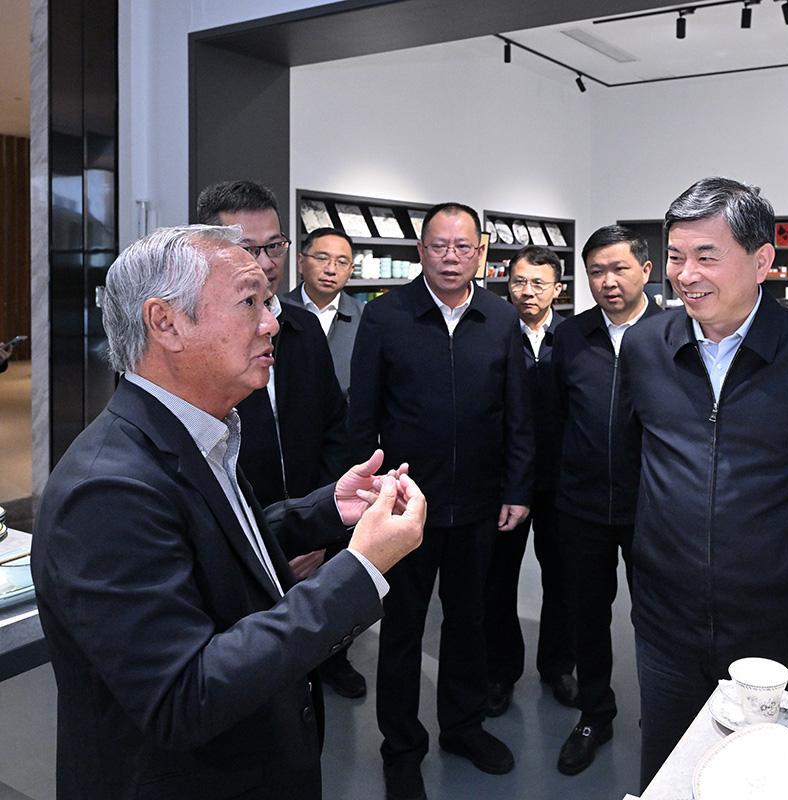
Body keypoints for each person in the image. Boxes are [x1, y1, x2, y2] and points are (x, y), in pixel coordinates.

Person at [30, 224, 426, 800]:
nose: (272, 322)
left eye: (268, 302)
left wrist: (325, 510)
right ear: (165, 323)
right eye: (249, 303)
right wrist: (360, 568)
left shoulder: (197, 432)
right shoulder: (107, 491)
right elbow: (183, 696)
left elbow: (213, 547)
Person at [621, 177, 788, 788]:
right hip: (666, 617)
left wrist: (783, 540)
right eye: (676, 256)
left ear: (762, 261)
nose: (686, 275)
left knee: (773, 774)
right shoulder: (645, 346)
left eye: (707, 256)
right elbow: (628, 459)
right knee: (670, 769)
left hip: (778, 620)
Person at [348, 201, 534, 800]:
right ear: (420, 250)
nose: (451, 258)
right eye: (438, 246)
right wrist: (370, 491)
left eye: (463, 247)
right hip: (405, 505)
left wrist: (517, 487)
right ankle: (401, 748)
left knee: (469, 622)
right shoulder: (386, 316)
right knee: (402, 628)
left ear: (480, 252)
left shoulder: (500, 318)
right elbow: (362, 415)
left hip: (479, 503)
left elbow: (518, 412)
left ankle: (462, 726)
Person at [197, 181, 365, 700]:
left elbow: (334, 428)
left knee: (319, 624)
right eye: (248, 248)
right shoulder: (202, 341)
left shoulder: (303, 329)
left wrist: (318, 526)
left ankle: (332, 661)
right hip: (241, 536)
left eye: (274, 246)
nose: (267, 263)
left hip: (310, 520)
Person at [550, 224, 659, 775]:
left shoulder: (675, 333)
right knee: (587, 616)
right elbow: (552, 417)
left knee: (658, 617)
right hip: (582, 506)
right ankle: (596, 712)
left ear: (646, 270)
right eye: (596, 271)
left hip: (654, 509)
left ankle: (665, 715)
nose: (608, 281)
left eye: (619, 268)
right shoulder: (572, 336)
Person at [482, 245, 576, 718]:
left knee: (563, 578)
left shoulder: (573, 338)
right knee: (498, 579)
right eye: (519, 281)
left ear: (557, 289)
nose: (527, 291)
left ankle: (558, 666)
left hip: (561, 482)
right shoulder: (494, 334)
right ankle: (500, 671)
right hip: (506, 481)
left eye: (539, 283)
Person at [284, 226, 364, 399]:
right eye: (321, 258)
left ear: (351, 271)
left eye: (342, 262)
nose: (331, 270)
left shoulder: (365, 318)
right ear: (300, 262)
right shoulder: (276, 311)